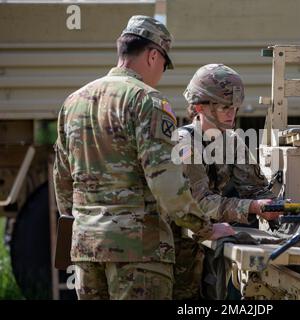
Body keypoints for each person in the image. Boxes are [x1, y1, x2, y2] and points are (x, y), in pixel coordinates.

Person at [53, 16, 234, 300]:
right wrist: (205, 228)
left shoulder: (73, 102)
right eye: (164, 63)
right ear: (152, 55)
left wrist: (81, 226)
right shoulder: (148, 102)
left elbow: (63, 180)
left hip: (86, 249)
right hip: (139, 252)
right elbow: (166, 182)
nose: (162, 72)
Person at [172, 64, 282, 299]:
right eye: (224, 107)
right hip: (177, 249)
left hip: (211, 244)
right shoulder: (184, 144)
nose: (232, 113)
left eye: (234, 107)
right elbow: (199, 203)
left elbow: (253, 189)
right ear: (200, 107)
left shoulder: (231, 141)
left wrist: (271, 204)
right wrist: (253, 208)